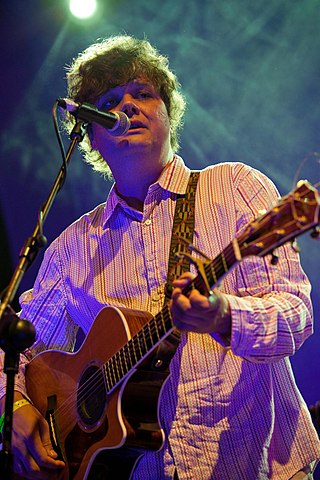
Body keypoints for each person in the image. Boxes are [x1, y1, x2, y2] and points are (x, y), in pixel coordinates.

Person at [0, 34, 319, 480]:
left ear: (169, 113)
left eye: (143, 94)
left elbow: (297, 316)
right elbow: (13, 346)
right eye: (110, 100)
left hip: (257, 463)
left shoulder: (234, 188)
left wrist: (224, 316)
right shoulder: (74, 247)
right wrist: (11, 406)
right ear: (90, 133)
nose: (128, 106)